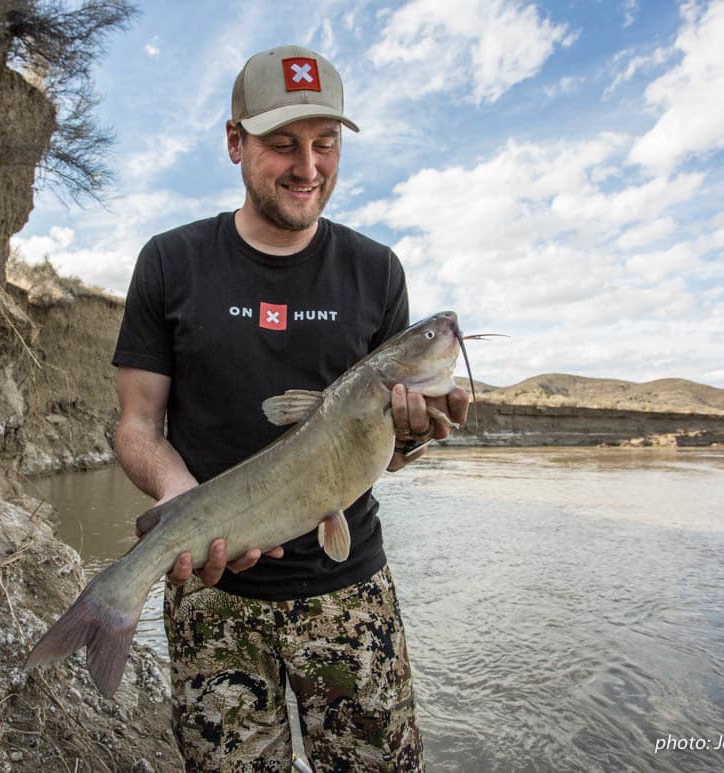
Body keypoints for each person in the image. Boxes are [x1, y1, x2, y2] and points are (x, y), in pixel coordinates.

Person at [111, 44, 468, 772]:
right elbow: (137, 425)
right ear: (234, 141)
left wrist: (414, 436)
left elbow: (380, 456)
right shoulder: (170, 262)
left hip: (350, 591)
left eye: (325, 143)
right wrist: (184, 505)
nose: (309, 167)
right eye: (283, 144)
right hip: (210, 595)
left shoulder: (377, 271)